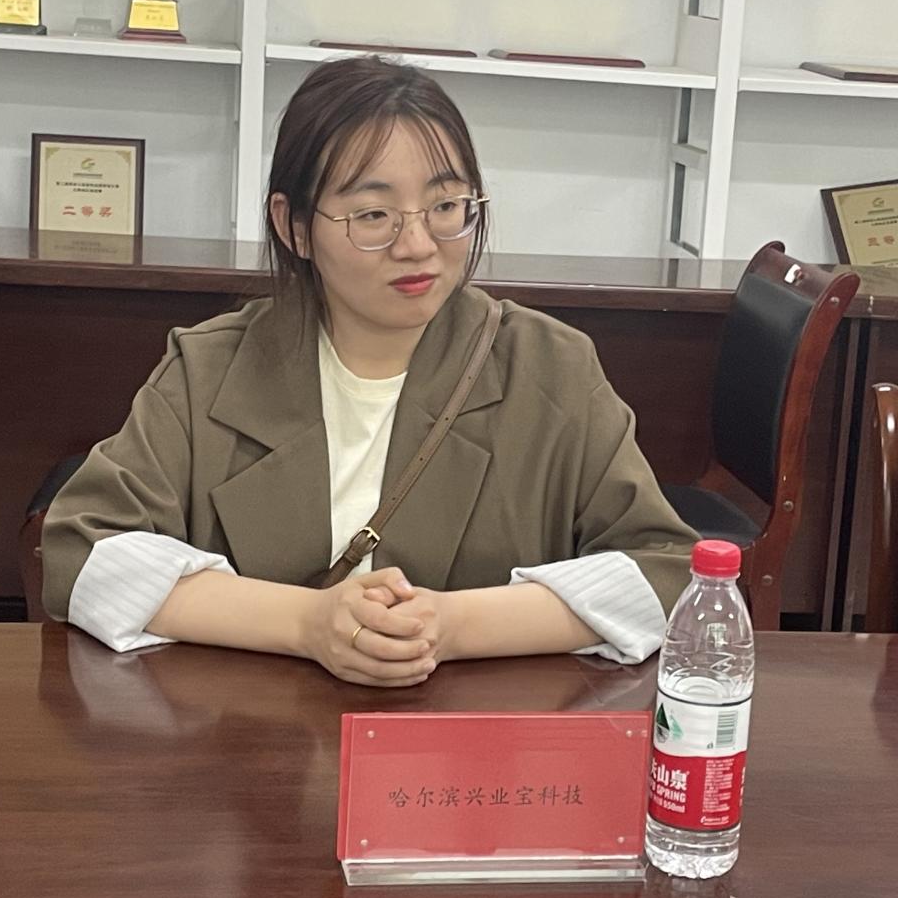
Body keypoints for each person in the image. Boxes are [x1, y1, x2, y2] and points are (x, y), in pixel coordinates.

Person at [43, 56, 696, 681]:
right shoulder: (210, 369)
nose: (417, 245)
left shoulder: (549, 366)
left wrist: (452, 626)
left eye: (446, 207)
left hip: (467, 741)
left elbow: (664, 574)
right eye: (373, 216)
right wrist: (306, 624)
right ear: (294, 227)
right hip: (252, 737)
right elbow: (84, 554)